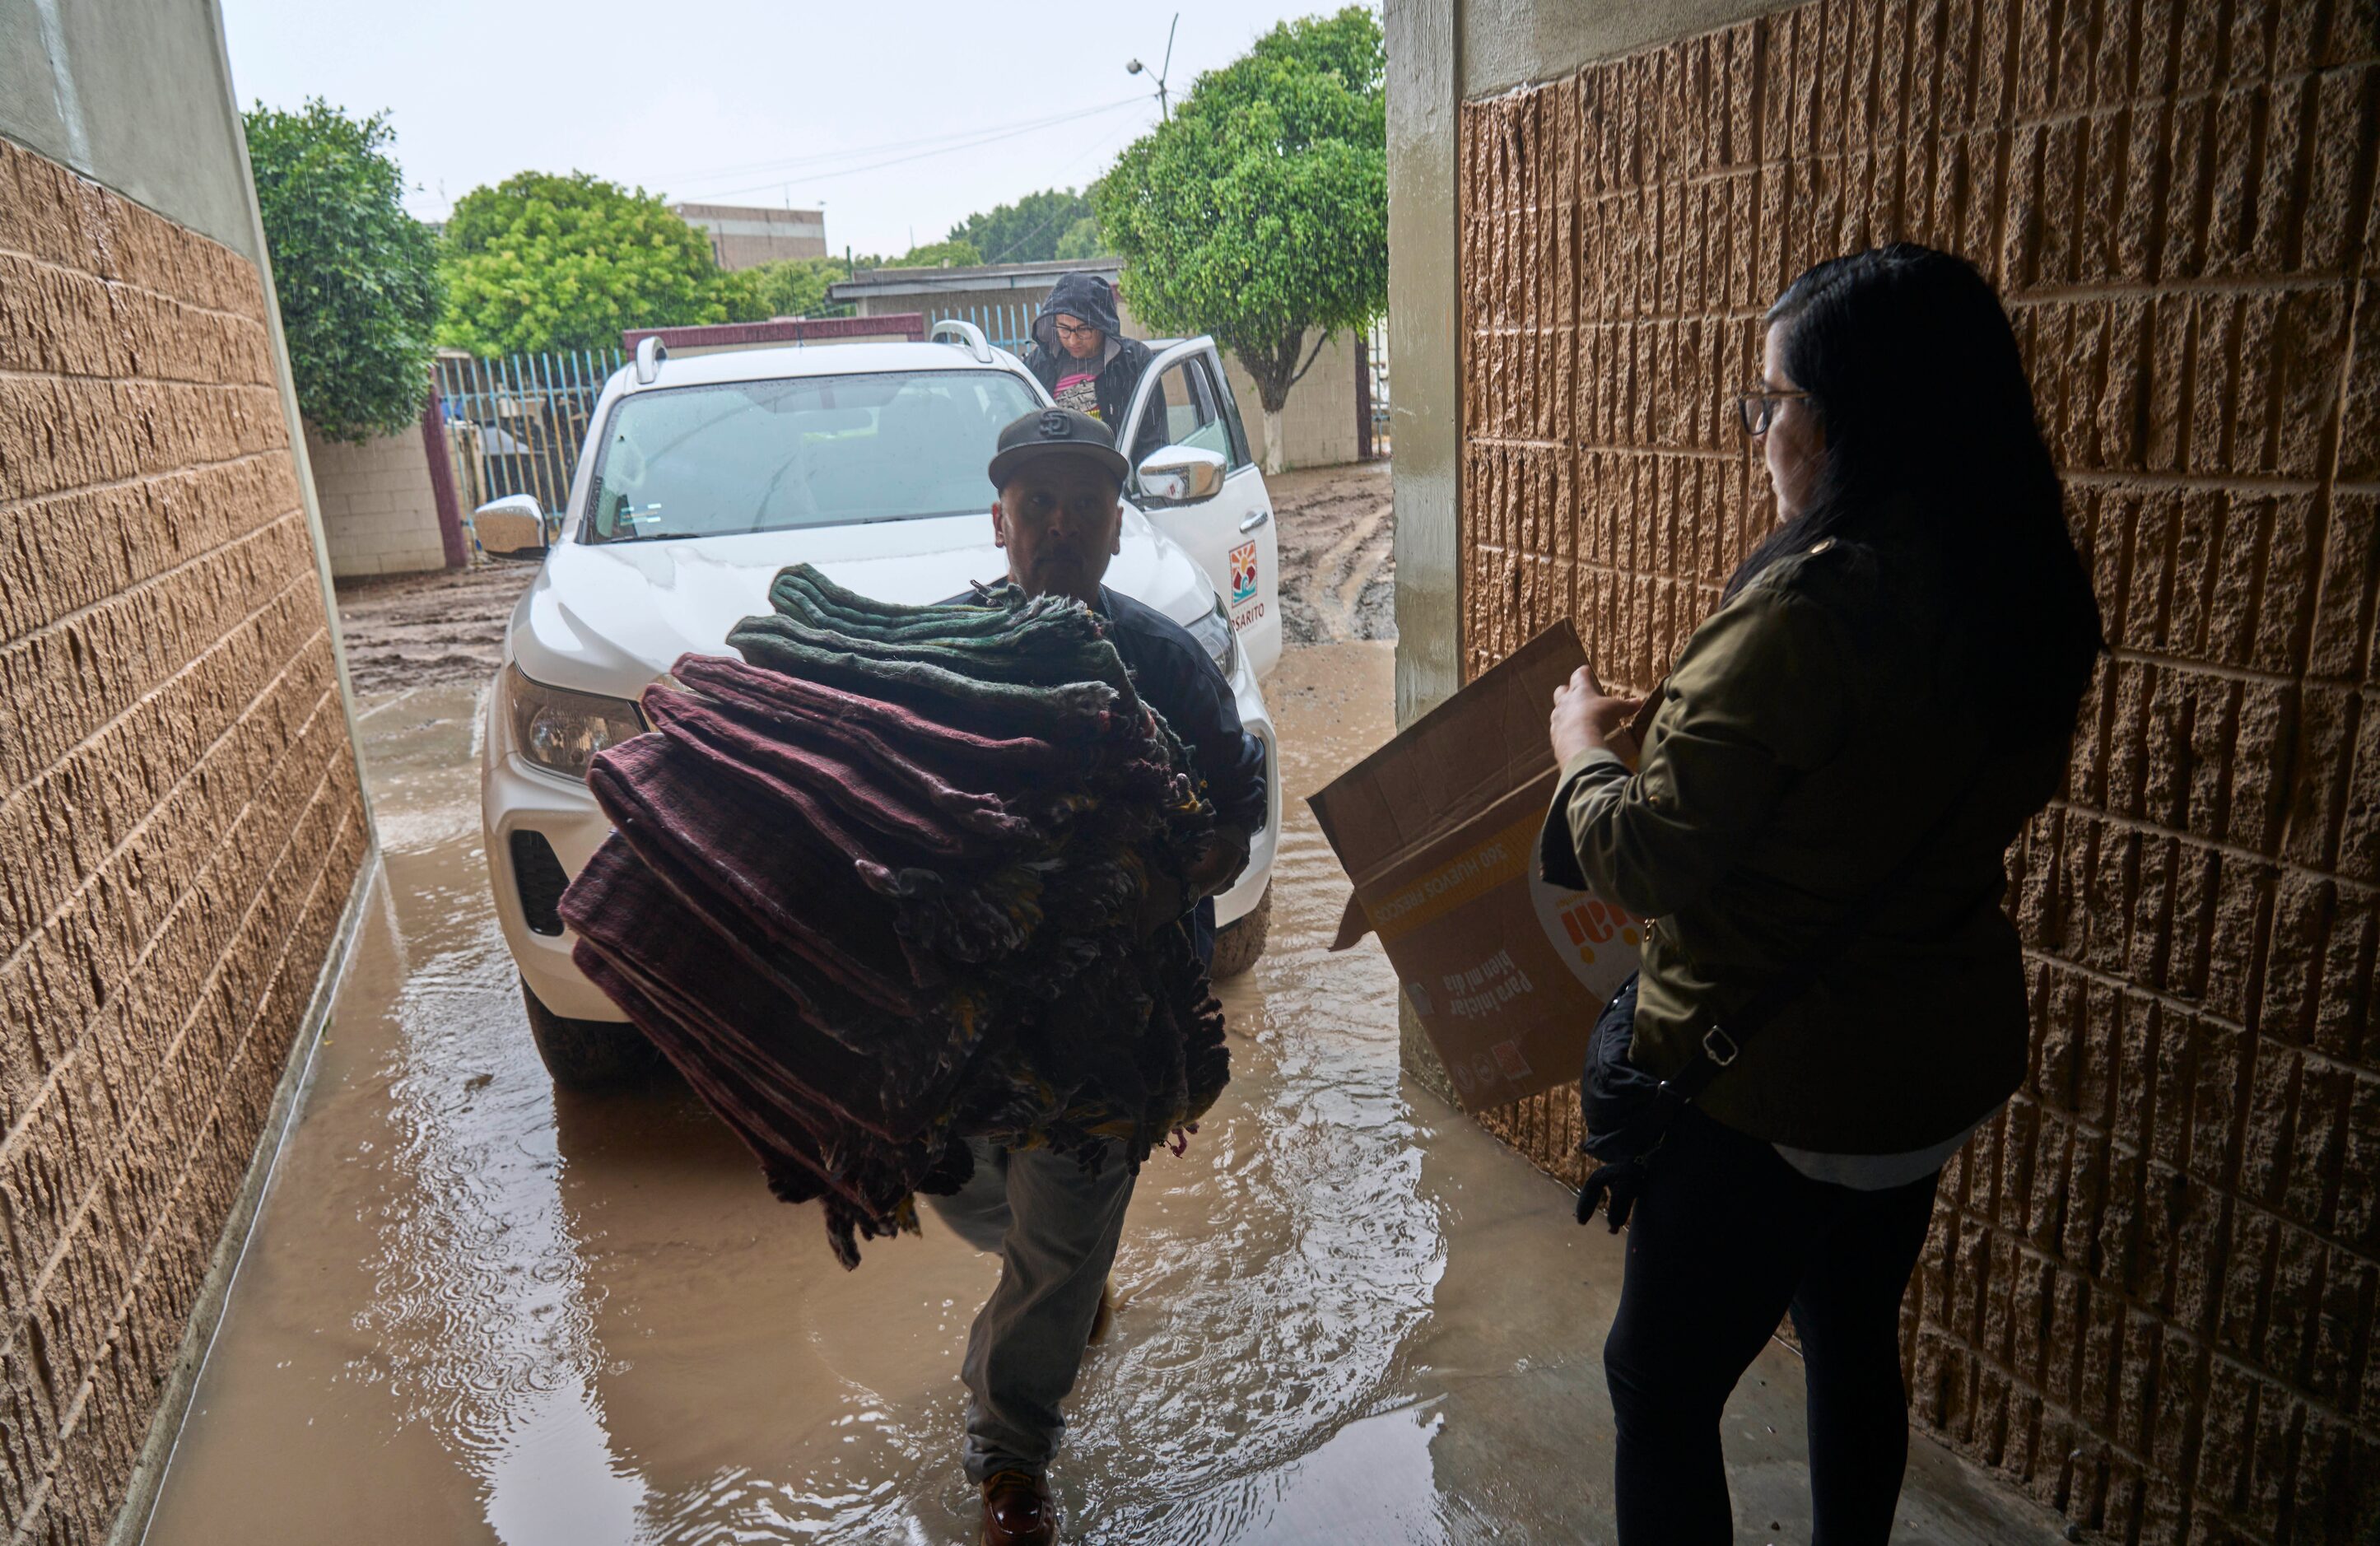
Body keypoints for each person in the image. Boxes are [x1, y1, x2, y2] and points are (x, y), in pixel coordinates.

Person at [1541, 244, 2103, 1544]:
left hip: (1766, 1085)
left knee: (1656, 1378)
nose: (1756, 433)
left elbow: (1639, 860)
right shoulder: (2022, 592)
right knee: (1850, 1337)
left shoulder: (1808, 608)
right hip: (1925, 1071)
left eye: (1768, 402)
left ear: (1849, 417)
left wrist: (1579, 747)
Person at [926, 407, 1266, 1546]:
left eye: (1084, 507)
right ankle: (1061, 1287)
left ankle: (1009, 1460)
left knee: (1061, 1216)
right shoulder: (936, 662)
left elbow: (1235, 813)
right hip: (968, 1023)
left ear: (1118, 528)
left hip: (1112, 1022)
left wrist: (1148, 876)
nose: (1060, 526)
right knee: (956, 1183)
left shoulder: (1165, 662)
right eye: (1037, 507)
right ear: (1000, 522)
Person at [1022, 272, 1161, 466]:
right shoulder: (1038, 364)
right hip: (1053, 477)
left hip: (1115, 483)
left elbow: (1152, 438)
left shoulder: (1133, 361)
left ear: (1102, 325)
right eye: (1064, 329)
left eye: (1084, 329)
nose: (1073, 340)